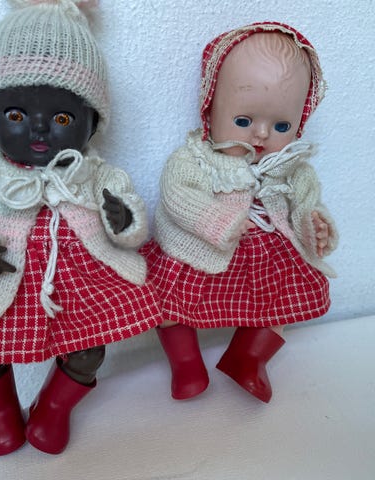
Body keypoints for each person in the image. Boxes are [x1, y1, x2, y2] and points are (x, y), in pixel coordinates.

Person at [0, 0, 162, 456]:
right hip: (0, 270)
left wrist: (124, 219)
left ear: (92, 123)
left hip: (80, 275)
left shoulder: (93, 173)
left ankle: (53, 408)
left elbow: (132, 221)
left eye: (62, 118)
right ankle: (0, 414)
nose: (38, 129)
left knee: (89, 349)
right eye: (15, 115)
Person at [142, 22, 338, 403]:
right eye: (244, 121)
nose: (261, 135)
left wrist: (313, 225)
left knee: (281, 304)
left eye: (281, 125)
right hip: (201, 250)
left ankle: (249, 358)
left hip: (267, 255)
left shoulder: (291, 170)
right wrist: (216, 220)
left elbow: (307, 202)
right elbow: (177, 195)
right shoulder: (196, 159)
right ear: (210, 109)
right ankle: (186, 363)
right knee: (170, 303)